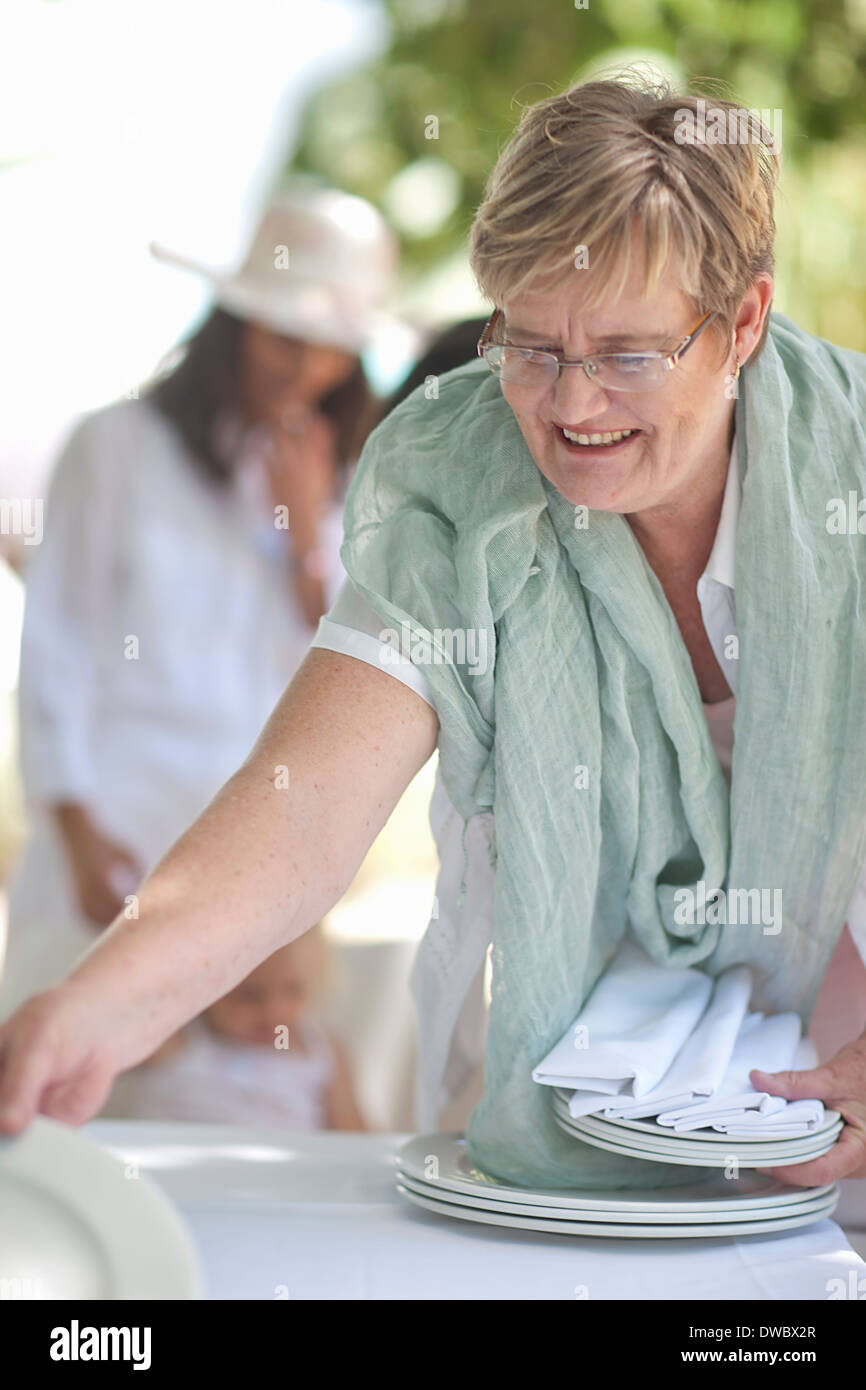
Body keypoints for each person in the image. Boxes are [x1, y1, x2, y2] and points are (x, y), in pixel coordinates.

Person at [2, 73, 866, 1193]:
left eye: (625, 354)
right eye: (532, 346)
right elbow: (302, 801)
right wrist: (95, 1004)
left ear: (741, 322)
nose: (570, 407)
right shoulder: (459, 478)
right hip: (573, 1075)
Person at [0, 182, 392, 1022]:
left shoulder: (352, 484)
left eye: (331, 348)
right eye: (287, 335)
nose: (304, 366)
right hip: (109, 818)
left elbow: (351, 668)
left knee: (234, 1108)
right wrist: (70, 823)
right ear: (237, 323)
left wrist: (303, 534)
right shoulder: (117, 446)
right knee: (66, 1081)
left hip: (249, 851)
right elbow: (56, 640)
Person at [107, 923, 365, 1130]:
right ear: (204, 986)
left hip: (285, 1189)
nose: (273, 1013)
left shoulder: (320, 1051)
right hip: (172, 1189)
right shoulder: (174, 1039)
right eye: (249, 996)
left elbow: (356, 1141)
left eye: (293, 991)